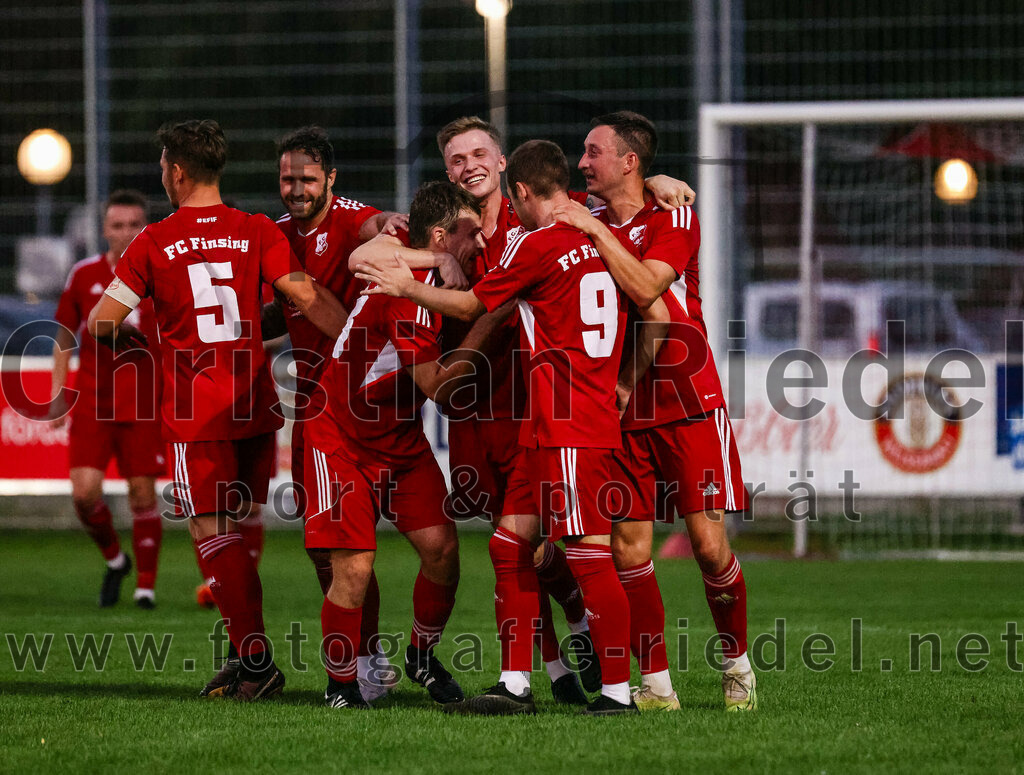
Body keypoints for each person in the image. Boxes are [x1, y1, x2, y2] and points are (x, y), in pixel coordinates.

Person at [358, 141, 669, 716]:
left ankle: (619, 693)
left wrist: (406, 288)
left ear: (519, 190)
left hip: (570, 420)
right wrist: (624, 379)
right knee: (509, 545)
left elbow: (476, 305)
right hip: (552, 421)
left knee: (588, 554)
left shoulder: (537, 245)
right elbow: (657, 310)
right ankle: (515, 685)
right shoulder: (604, 237)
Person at [88, 119, 349, 701]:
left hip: (196, 410)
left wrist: (141, 347)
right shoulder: (255, 229)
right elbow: (303, 295)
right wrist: (355, 344)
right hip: (254, 405)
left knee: (212, 536)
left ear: (176, 171)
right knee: (235, 532)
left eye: (162, 165)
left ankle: (256, 663)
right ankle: (247, 653)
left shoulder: (154, 242)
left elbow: (100, 321)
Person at [554, 110, 755, 711]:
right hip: (619, 406)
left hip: (689, 401)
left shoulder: (674, 216)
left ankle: (738, 664)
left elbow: (648, 288)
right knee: (629, 549)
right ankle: (656, 682)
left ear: (628, 161)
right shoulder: (583, 213)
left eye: (593, 152)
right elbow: (528, 198)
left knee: (709, 545)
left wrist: (599, 231)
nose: (582, 162)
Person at [306, 181, 508, 710]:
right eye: (470, 234)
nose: (481, 243)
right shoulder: (407, 293)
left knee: (443, 552)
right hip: (341, 438)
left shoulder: (428, 269)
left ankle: (420, 656)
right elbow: (437, 388)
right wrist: (486, 323)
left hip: (398, 438)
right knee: (354, 567)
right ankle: (340, 685)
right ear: (442, 235)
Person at [266, 125, 419, 702]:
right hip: (311, 407)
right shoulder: (279, 234)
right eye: (287, 178)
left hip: (364, 404)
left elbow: (383, 227)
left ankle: (375, 657)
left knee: (363, 548)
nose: (296, 188)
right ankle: (361, 653)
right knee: (322, 549)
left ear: (330, 179)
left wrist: (389, 231)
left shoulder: (354, 219)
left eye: (307, 178)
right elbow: (287, 312)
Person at [49, 189, 165, 609]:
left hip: (145, 405)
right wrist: (59, 392)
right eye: (118, 225)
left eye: (135, 225)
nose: (127, 233)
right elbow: (64, 335)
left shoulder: (165, 273)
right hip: (95, 404)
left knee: (142, 494)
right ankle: (117, 560)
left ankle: (145, 589)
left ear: (146, 228)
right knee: (84, 494)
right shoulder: (84, 274)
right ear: (104, 230)